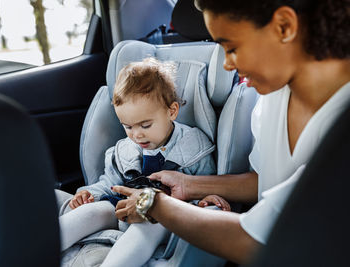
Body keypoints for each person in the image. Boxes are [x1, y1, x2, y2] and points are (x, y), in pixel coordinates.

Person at [112, 0, 350, 264]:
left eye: (232, 47)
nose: (226, 64)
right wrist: (188, 184)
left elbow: (257, 240)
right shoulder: (270, 99)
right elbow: (265, 180)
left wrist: (153, 204)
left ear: (284, 27)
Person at [55, 57, 225, 267]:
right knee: (93, 211)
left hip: (164, 216)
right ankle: (35, 251)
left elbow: (205, 187)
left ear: (171, 111)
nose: (136, 135)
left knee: (150, 224)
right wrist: (90, 193)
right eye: (128, 126)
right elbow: (109, 181)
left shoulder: (194, 149)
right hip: (123, 207)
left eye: (145, 125)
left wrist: (206, 199)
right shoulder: (124, 150)